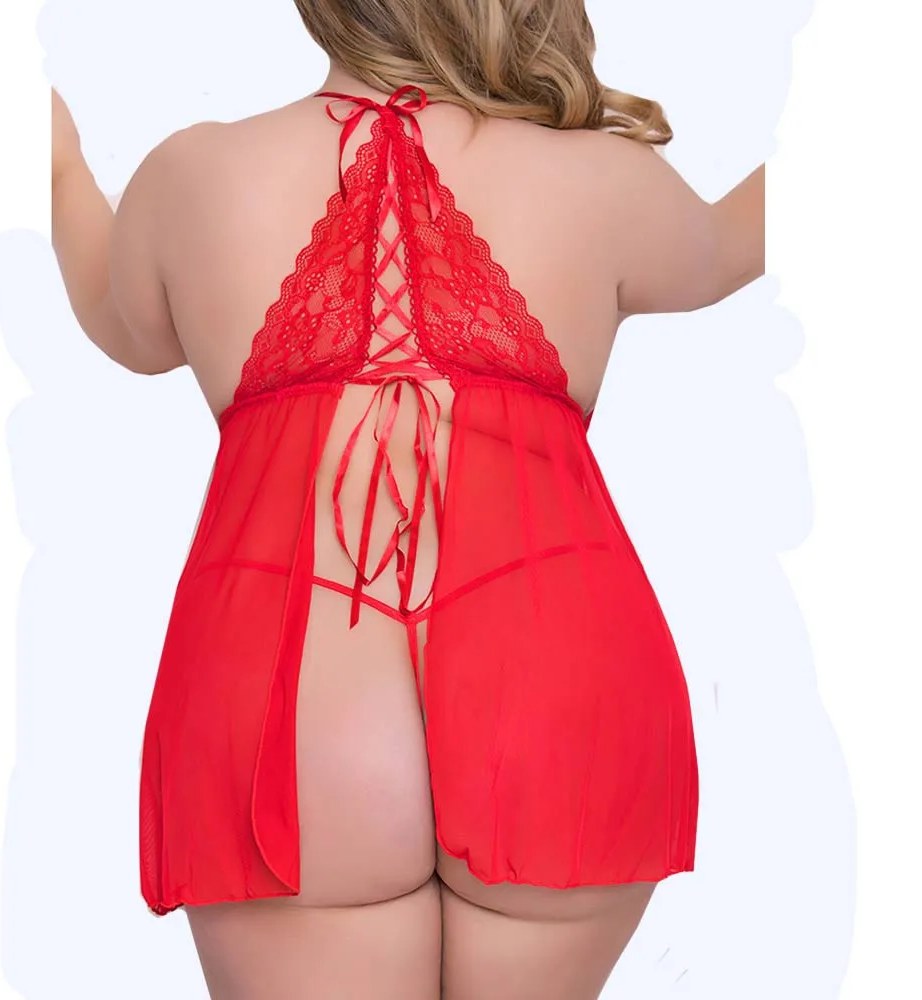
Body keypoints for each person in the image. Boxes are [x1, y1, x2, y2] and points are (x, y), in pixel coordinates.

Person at [51, 2, 764, 998]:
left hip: (288, 695)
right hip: (557, 669)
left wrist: (52, 152)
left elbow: (119, 320)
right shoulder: (602, 178)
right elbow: (742, 237)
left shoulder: (192, 177)